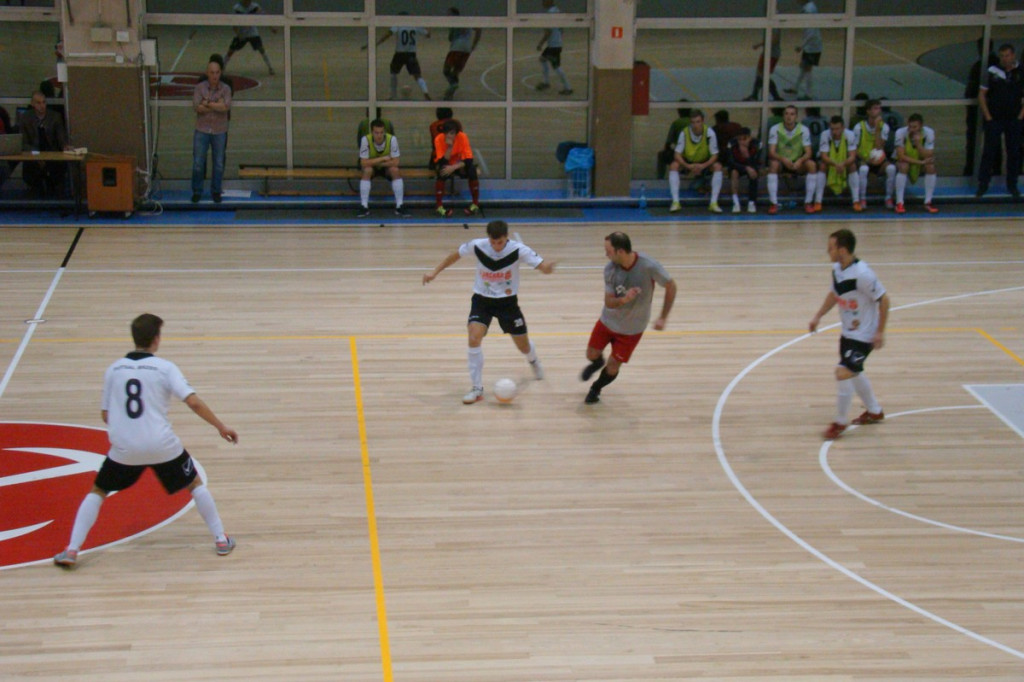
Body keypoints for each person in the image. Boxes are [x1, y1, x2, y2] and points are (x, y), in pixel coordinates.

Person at [53, 313, 238, 568]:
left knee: (99, 490)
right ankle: (221, 539)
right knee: (194, 484)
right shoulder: (165, 368)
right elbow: (193, 402)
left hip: (125, 448)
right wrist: (220, 426)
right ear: (156, 339)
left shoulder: (114, 369)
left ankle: (72, 550)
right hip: (162, 445)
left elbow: (106, 415)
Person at [422, 220, 556, 405]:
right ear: (488, 238)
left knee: (523, 346)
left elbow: (542, 266)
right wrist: (434, 272)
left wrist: (547, 269)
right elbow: (455, 255)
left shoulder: (519, 250)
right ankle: (477, 388)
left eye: (500, 242)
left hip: (507, 303)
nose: (496, 246)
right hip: (482, 300)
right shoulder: (478, 246)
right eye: (493, 242)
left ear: (506, 238)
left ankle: (533, 360)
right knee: (473, 337)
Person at [809, 229, 889, 441]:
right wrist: (818, 316)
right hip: (848, 333)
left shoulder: (863, 274)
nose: (828, 251)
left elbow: (884, 299)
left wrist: (880, 331)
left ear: (842, 250)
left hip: (864, 336)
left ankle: (840, 422)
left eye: (831, 248)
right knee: (854, 371)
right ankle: (874, 410)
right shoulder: (838, 269)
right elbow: (835, 294)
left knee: (843, 372)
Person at [580, 231, 676, 405]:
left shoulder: (648, 266)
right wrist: (624, 300)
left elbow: (671, 286)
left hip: (632, 329)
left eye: (608, 251)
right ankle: (597, 363)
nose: (606, 255)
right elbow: (609, 302)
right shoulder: (610, 269)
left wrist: (663, 317)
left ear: (620, 252)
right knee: (591, 354)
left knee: (613, 366)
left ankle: (596, 388)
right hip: (608, 321)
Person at [977, 43, 1024, 200]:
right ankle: (983, 184)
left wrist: (1020, 117)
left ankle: (1012, 185)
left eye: (1007, 55)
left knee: (1014, 153)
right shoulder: (991, 71)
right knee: (989, 152)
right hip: (994, 119)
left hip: (1013, 120)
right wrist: (988, 117)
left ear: (1013, 55)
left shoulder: (1021, 71)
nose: (1005, 59)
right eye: (1002, 56)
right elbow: (982, 95)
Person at [191, 56, 231, 204]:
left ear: (220, 73)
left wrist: (207, 103)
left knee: (219, 164)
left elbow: (225, 107)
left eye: (217, 72)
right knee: (198, 163)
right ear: (207, 73)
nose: (215, 76)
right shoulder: (199, 88)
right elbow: (197, 107)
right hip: (201, 130)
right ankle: (197, 191)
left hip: (220, 131)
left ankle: (216, 191)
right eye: (212, 72)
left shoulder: (226, 89)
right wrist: (216, 104)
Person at [668, 109, 724, 213]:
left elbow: (715, 155)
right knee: (673, 166)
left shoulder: (709, 133)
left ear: (702, 121)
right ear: (690, 122)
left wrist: (703, 166)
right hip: (688, 162)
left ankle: (713, 203)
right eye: (693, 122)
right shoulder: (684, 133)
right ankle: (675, 202)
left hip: (704, 162)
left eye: (698, 122)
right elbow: (677, 154)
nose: (695, 125)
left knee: (718, 167)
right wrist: (687, 165)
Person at [18, 90, 70, 198]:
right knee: (32, 168)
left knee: (57, 168)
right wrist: (36, 155)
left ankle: (54, 194)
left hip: (52, 154)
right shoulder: (25, 118)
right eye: (38, 103)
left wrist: (65, 146)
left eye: (44, 102)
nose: (42, 106)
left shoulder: (55, 117)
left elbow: (61, 138)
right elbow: (23, 142)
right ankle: (37, 193)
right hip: (33, 154)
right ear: (32, 104)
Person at [766, 104, 817, 214]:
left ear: (796, 116)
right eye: (786, 114)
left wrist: (800, 160)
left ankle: (808, 202)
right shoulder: (775, 129)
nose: (789, 117)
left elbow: (808, 152)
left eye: (792, 114)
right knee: (773, 165)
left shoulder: (803, 129)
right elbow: (771, 152)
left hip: (797, 163)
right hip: (782, 162)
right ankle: (773, 203)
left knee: (811, 165)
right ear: (783, 116)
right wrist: (783, 159)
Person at [357, 118, 410, 218]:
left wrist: (376, 163)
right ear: (372, 132)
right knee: (367, 170)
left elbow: (396, 162)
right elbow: (363, 163)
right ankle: (364, 206)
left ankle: (400, 205)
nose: (379, 135)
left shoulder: (392, 139)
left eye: (381, 132)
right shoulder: (365, 140)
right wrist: (383, 158)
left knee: (395, 170)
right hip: (375, 167)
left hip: (385, 167)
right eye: (376, 133)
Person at [369, 17, 432, 101]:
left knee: (393, 73)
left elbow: (387, 35)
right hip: (411, 54)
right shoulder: (415, 26)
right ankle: (425, 92)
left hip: (399, 54)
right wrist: (428, 27)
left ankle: (393, 95)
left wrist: (377, 43)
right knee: (417, 75)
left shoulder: (398, 25)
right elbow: (428, 35)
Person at [853, 98, 896, 211]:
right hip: (864, 159)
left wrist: (877, 129)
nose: (878, 111)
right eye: (875, 108)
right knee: (863, 170)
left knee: (891, 168)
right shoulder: (859, 127)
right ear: (868, 111)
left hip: (879, 159)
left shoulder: (884, 127)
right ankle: (862, 198)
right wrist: (866, 159)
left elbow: (879, 147)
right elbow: (854, 149)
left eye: (879, 108)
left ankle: (888, 198)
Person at [433, 119, 481, 217]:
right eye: (446, 133)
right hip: (446, 164)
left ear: (456, 133)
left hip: (459, 164)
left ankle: (475, 204)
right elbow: (442, 161)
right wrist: (450, 147)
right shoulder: (438, 139)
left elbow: (468, 159)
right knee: (442, 172)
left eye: (452, 133)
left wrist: (454, 167)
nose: (449, 136)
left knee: (472, 170)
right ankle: (439, 207)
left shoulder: (463, 137)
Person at [893, 113, 938, 214]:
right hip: (906, 160)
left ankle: (928, 202)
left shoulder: (929, 132)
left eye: (915, 127)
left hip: (920, 159)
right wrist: (921, 162)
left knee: (930, 167)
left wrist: (918, 144)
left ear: (921, 126)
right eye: (910, 126)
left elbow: (929, 154)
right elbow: (901, 156)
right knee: (903, 166)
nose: (912, 129)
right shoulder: (900, 132)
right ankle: (899, 203)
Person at [814, 115, 860, 211]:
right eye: (832, 129)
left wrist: (843, 164)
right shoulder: (825, 135)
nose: (834, 132)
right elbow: (824, 156)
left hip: (844, 161)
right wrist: (836, 165)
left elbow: (852, 156)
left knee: (852, 166)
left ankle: (856, 201)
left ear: (843, 128)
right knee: (822, 166)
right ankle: (818, 201)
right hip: (831, 162)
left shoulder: (850, 135)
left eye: (837, 129)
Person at [224, 0, 276, 75]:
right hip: (241, 34)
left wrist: (271, 27)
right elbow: (234, 25)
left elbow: (264, 17)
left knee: (261, 49)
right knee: (231, 50)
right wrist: (239, 34)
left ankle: (270, 67)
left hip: (253, 33)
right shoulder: (237, 8)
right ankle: (222, 66)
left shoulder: (255, 7)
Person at [442, 8, 481, 101]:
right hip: (467, 49)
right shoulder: (466, 21)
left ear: (454, 14)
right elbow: (479, 29)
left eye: (448, 14)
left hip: (456, 48)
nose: (447, 16)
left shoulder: (453, 23)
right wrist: (474, 44)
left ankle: (453, 85)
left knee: (446, 70)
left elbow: (450, 38)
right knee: (455, 72)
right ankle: (450, 94)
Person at [786, 1, 822, 101]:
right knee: (803, 66)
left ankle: (809, 94)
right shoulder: (809, 7)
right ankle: (795, 88)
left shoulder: (809, 10)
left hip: (812, 46)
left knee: (807, 69)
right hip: (811, 44)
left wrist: (802, 46)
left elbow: (811, 32)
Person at [535, 0, 573, 96]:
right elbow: (561, 28)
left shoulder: (550, 14)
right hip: (556, 43)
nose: (542, 3)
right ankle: (546, 82)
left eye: (544, 1)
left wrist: (540, 44)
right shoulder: (557, 11)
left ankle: (568, 87)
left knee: (556, 67)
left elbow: (548, 32)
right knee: (543, 59)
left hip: (553, 45)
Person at [725, 127, 760, 213]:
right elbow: (730, 162)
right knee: (734, 173)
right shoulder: (732, 144)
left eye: (744, 139)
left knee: (753, 173)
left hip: (751, 166)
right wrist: (745, 168)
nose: (741, 141)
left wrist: (746, 153)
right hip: (737, 166)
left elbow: (757, 162)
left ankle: (752, 201)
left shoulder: (756, 144)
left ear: (749, 138)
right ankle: (735, 201)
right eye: (739, 139)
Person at [745, 30, 782, 102]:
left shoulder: (775, 28)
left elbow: (774, 40)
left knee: (763, 76)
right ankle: (754, 95)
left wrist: (759, 44)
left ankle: (776, 96)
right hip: (766, 53)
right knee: (759, 74)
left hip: (772, 55)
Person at [657, 106, 691, 179]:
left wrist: (668, 150)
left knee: (661, 155)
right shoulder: (695, 122)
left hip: (681, 155)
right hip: (695, 155)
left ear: (679, 112)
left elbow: (668, 143)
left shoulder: (676, 123)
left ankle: (660, 178)